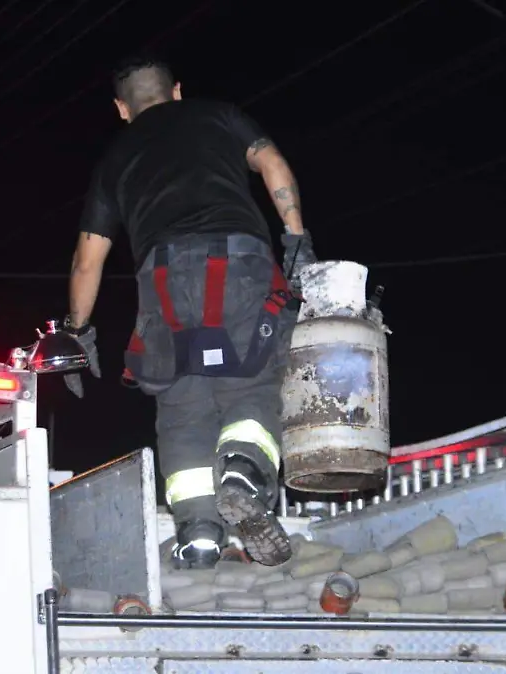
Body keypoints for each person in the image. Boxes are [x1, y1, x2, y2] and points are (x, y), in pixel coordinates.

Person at [61, 57, 316, 570]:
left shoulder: (115, 157)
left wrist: (77, 333)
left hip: (163, 283)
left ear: (121, 108)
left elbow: (87, 260)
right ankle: (243, 472)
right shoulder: (219, 115)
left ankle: (199, 533)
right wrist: (296, 239)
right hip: (238, 265)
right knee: (253, 383)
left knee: (182, 408)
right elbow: (273, 164)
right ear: (176, 91)